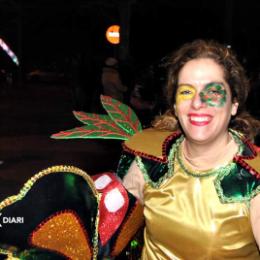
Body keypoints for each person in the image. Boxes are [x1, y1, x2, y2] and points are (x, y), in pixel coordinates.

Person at [1, 39, 260, 260]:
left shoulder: (253, 178)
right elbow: (102, 232)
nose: (197, 103)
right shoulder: (151, 160)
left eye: (213, 91)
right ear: (174, 102)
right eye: (186, 91)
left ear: (234, 103)